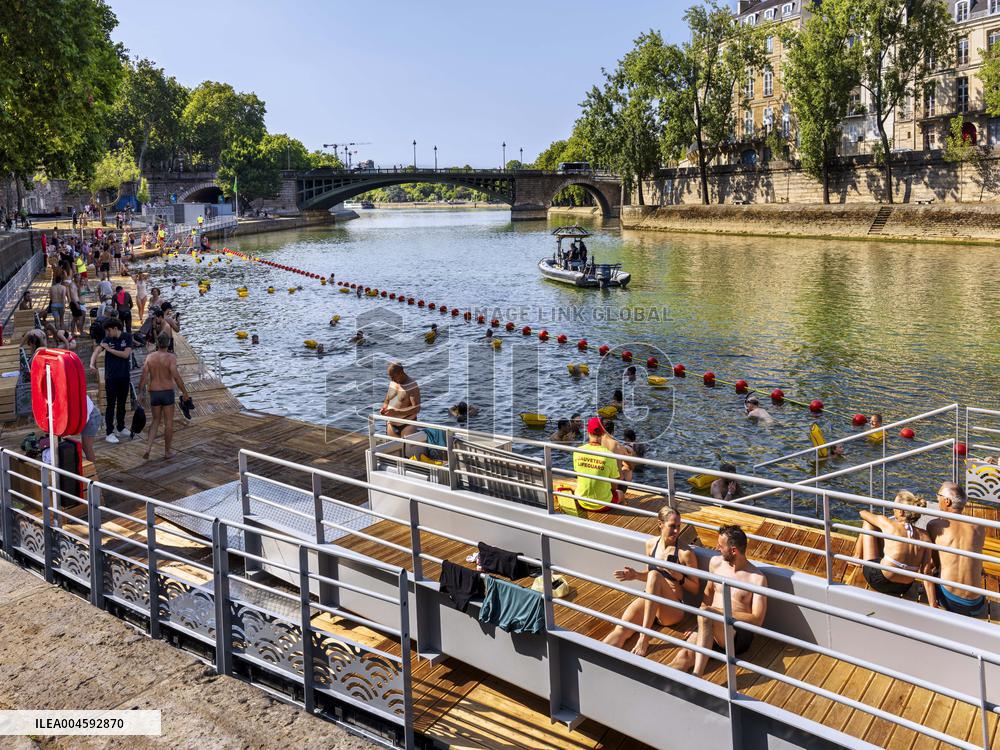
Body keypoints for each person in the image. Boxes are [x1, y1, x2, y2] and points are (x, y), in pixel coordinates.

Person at [669, 525, 768, 676]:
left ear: (733, 550)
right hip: (710, 624)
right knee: (684, 656)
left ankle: (697, 676)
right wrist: (699, 621)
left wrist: (718, 612)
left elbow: (757, 620)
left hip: (736, 635)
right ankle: (660, 683)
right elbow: (708, 593)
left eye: (721, 546)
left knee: (708, 615)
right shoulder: (716, 563)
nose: (717, 548)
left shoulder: (756, 578)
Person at [604, 507, 701, 656]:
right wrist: (635, 575)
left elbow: (695, 588)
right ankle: (596, 654)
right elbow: (649, 575)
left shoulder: (685, 553)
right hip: (650, 601)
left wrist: (679, 577)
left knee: (655, 575)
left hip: (672, 609)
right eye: (672, 526)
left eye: (678, 526)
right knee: (621, 629)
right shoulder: (651, 545)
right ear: (660, 524)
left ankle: (644, 637)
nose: (676, 531)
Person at [852, 491, 934, 600]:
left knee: (869, 522)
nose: (892, 510)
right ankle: (863, 558)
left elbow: (862, 513)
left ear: (900, 511)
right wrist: (933, 603)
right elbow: (926, 573)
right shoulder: (925, 536)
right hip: (903, 587)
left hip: (879, 581)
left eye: (893, 507)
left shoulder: (888, 524)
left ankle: (857, 557)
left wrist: (880, 519)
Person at [926, 482, 987, 617]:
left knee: (929, 572)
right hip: (976, 604)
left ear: (947, 501)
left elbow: (936, 564)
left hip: (951, 601)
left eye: (938, 495)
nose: (937, 499)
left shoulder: (935, 525)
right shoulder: (979, 526)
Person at [138, 332, 190, 460]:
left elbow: (144, 377)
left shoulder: (150, 357)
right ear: (168, 343)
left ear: (157, 343)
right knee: (168, 423)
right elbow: (176, 376)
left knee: (155, 421)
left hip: (154, 392)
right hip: (167, 392)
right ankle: (167, 452)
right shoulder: (171, 357)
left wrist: (140, 393)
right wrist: (185, 392)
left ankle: (148, 448)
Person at [88, 317, 133, 444]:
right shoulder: (107, 339)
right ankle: (109, 432)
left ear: (115, 328)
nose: (107, 334)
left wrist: (109, 350)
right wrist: (92, 364)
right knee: (111, 405)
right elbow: (97, 350)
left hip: (124, 376)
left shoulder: (127, 337)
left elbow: (125, 354)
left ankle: (121, 427)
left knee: (122, 403)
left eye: (108, 331)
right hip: (111, 377)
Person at [572, 418, 622, 511]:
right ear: (603, 433)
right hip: (602, 505)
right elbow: (614, 486)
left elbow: (578, 475)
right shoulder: (609, 455)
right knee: (620, 494)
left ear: (588, 432)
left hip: (581, 501)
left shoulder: (577, 451)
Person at [380, 363, 420, 437]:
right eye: (390, 377)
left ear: (401, 373)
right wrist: (384, 408)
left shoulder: (412, 385)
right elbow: (387, 400)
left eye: (393, 377)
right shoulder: (392, 382)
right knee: (392, 448)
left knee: (406, 448)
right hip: (391, 424)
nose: (391, 379)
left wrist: (396, 412)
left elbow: (416, 408)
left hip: (407, 424)